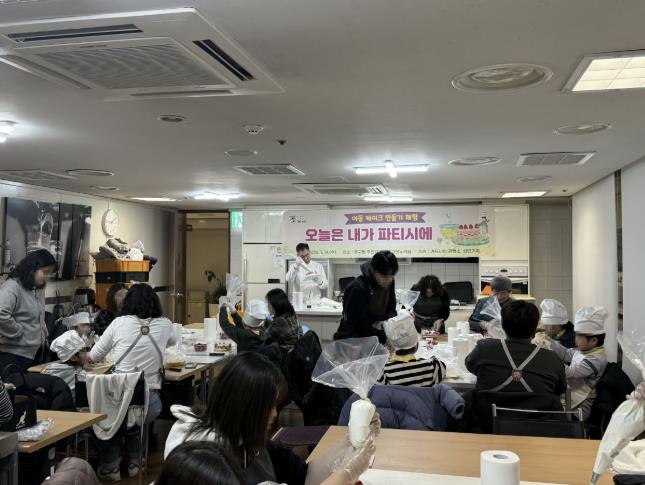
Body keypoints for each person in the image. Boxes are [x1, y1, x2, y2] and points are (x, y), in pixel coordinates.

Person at [165, 352, 376, 485]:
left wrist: (352, 441)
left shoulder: (250, 441)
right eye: (270, 406)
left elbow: (305, 475)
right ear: (247, 407)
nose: (275, 414)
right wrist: (349, 472)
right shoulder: (206, 460)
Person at [89, 283, 176, 481]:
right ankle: (135, 462)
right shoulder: (165, 324)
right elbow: (172, 341)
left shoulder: (119, 323)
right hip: (150, 402)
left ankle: (110, 466)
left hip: (119, 396)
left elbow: (94, 356)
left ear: (128, 302)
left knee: (105, 415)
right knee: (136, 414)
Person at [465, 300, 567, 397]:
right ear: (536, 326)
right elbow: (560, 389)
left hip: (490, 409)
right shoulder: (552, 359)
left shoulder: (484, 348)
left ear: (502, 325)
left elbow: (470, 366)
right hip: (536, 409)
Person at [543, 306, 608, 420]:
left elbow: (569, 372)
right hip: (570, 395)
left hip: (580, 406)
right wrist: (548, 341)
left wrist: (548, 357)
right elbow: (565, 354)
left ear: (593, 341)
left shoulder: (596, 359)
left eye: (579, 336)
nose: (575, 338)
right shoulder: (583, 350)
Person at [0, 249, 56, 372]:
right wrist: (17, 331)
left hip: (35, 353)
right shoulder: (12, 287)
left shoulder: (38, 288)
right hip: (14, 355)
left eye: (50, 273)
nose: (48, 277)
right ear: (31, 269)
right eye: (45, 272)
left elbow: (39, 315)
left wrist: (43, 336)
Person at [334, 251, 398, 344]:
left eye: (392, 275)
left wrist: (389, 327)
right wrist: (383, 337)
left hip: (375, 337)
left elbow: (391, 308)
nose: (389, 280)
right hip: (353, 341)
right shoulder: (357, 288)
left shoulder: (389, 282)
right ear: (373, 271)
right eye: (385, 276)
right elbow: (358, 325)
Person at [380, 312, 446, 387]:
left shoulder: (385, 373)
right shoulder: (431, 368)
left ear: (392, 347)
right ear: (416, 345)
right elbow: (441, 365)